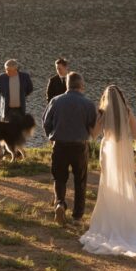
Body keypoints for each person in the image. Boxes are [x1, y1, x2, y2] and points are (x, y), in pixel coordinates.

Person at [80, 85, 136, 257]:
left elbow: (93, 135)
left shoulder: (102, 113)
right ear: (121, 97)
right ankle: (126, 221)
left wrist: (89, 123)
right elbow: (134, 134)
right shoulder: (127, 111)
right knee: (125, 182)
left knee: (109, 183)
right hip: (124, 151)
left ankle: (111, 219)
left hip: (109, 150)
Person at [42, 71, 97, 225]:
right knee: (80, 180)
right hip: (79, 146)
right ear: (81, 85)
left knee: (59, 178)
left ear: (67, 85)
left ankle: (59, 203)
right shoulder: (88, 103)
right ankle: (77, 216)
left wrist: (51, 137)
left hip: (59, 145)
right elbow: (93, 125)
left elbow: (46, 122)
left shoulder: (56, 100)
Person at [0, 58, 33, 125]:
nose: (6, 71)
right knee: (6, 132)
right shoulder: (2, 77)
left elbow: (30, 89)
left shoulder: (25, 77)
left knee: (19, 132)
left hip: (20, 110)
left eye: (9, 70)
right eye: (6, 69)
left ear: (15, 69)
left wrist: (22, 95)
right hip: (7, 110)